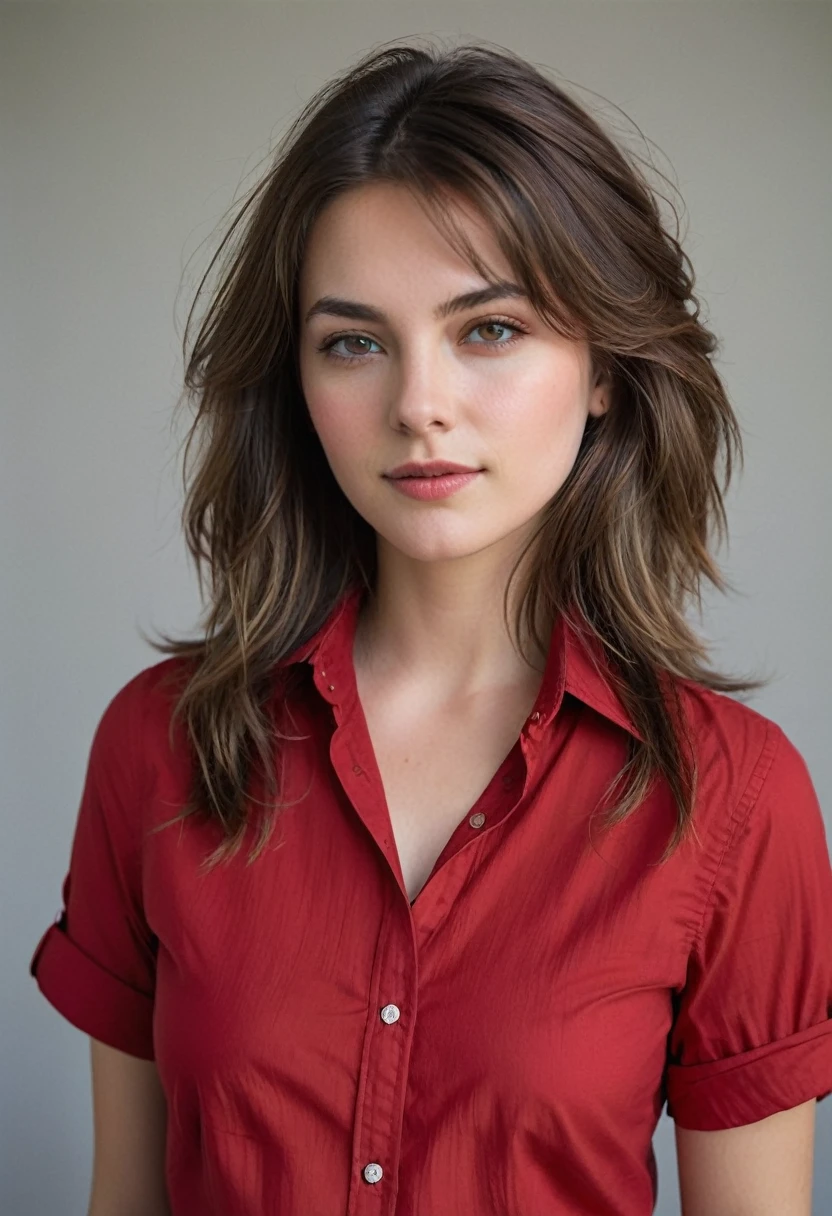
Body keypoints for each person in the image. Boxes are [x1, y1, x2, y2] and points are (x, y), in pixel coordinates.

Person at [30, 38, 832, 1216]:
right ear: (296, 387)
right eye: (353, 342)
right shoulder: (160, 746)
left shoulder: (733, 799)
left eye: (489, 329)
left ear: (604, 365)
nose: (417, 404)